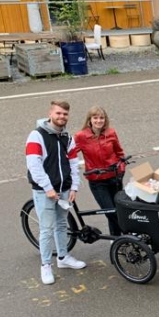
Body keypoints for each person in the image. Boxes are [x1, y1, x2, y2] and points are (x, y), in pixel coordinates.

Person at [26, 100, 86, 285]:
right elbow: (34, 165)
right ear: (50, 114)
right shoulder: (36, 136)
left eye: (65, 114)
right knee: (46, 229)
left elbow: (74, 163)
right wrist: (48, 188)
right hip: (45, 191)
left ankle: (63, 258)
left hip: (64, 189)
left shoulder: (67, 137)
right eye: (58, 113)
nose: (62, 117)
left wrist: (74, 186)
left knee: (61, 225)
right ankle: (45, 265)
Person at [74, 106, 126, 236]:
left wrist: (121, 169)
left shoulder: (111, 133)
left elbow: (119, 153)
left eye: (101, 117)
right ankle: (124, 236)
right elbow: (70, 154)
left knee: (119, 210)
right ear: (89, 120)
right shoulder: (81, 136)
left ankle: (116, 238)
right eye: (95, 117)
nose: (98, 120)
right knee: (110, 211)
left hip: (114, 178)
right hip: (98, 182)